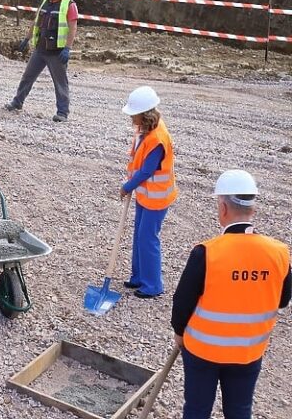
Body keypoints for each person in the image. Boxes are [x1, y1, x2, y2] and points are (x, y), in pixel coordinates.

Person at [171, 169, 291, 419]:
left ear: (223, 208)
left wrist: (179, 333)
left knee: (196, 409)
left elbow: (182, 302)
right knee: (239, 410)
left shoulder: (206, 252)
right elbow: (283, 299)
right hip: (248, 351)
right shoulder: (280, 253)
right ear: (252, 210)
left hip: (203, 351)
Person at [119, 86, 177, 298]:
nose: (130, 117)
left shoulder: (157, 138)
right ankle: (138, 277)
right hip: (146, 194)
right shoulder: (144, 129)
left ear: (144, 114)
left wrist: (127, 187)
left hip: (157, 197)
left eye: (133, 114)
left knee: (147, 238)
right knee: (139, 235)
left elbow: (147, 170)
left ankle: (153, 284)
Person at [5, 0, 78, 122]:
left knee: (60, 83)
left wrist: (67, 48)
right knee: (27, 77)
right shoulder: (45, 1)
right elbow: (36, 21)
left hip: (56, 52)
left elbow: (72, 28)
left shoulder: (69, 4)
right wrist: (27, 38)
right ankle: (17, 102)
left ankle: (62, 113)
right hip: (40, 49)